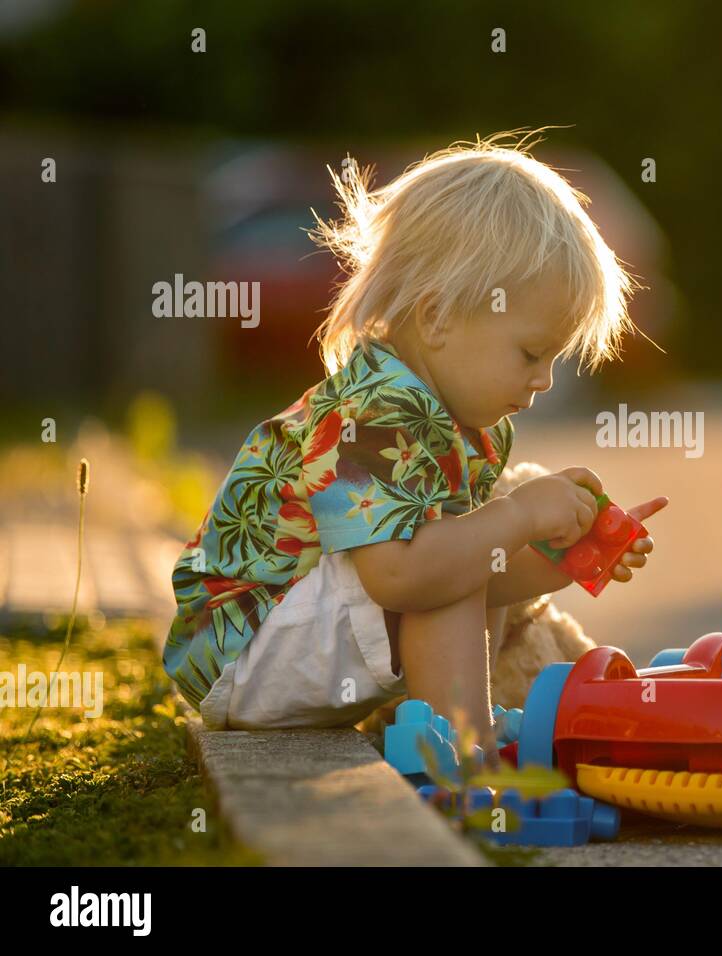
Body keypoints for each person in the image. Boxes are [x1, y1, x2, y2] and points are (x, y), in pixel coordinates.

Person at [163, 129, 669, 756]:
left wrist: (570, 555)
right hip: (242, 651)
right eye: (531, 353)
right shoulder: (372, 413)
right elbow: (402, 577)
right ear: (436, 317)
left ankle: (459, 733)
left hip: (295, 640)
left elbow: (482, 571)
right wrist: (515, 514)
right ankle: (461, 753)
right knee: (447, 558)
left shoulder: (459, 425)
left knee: (461, 552)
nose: (544, 380)